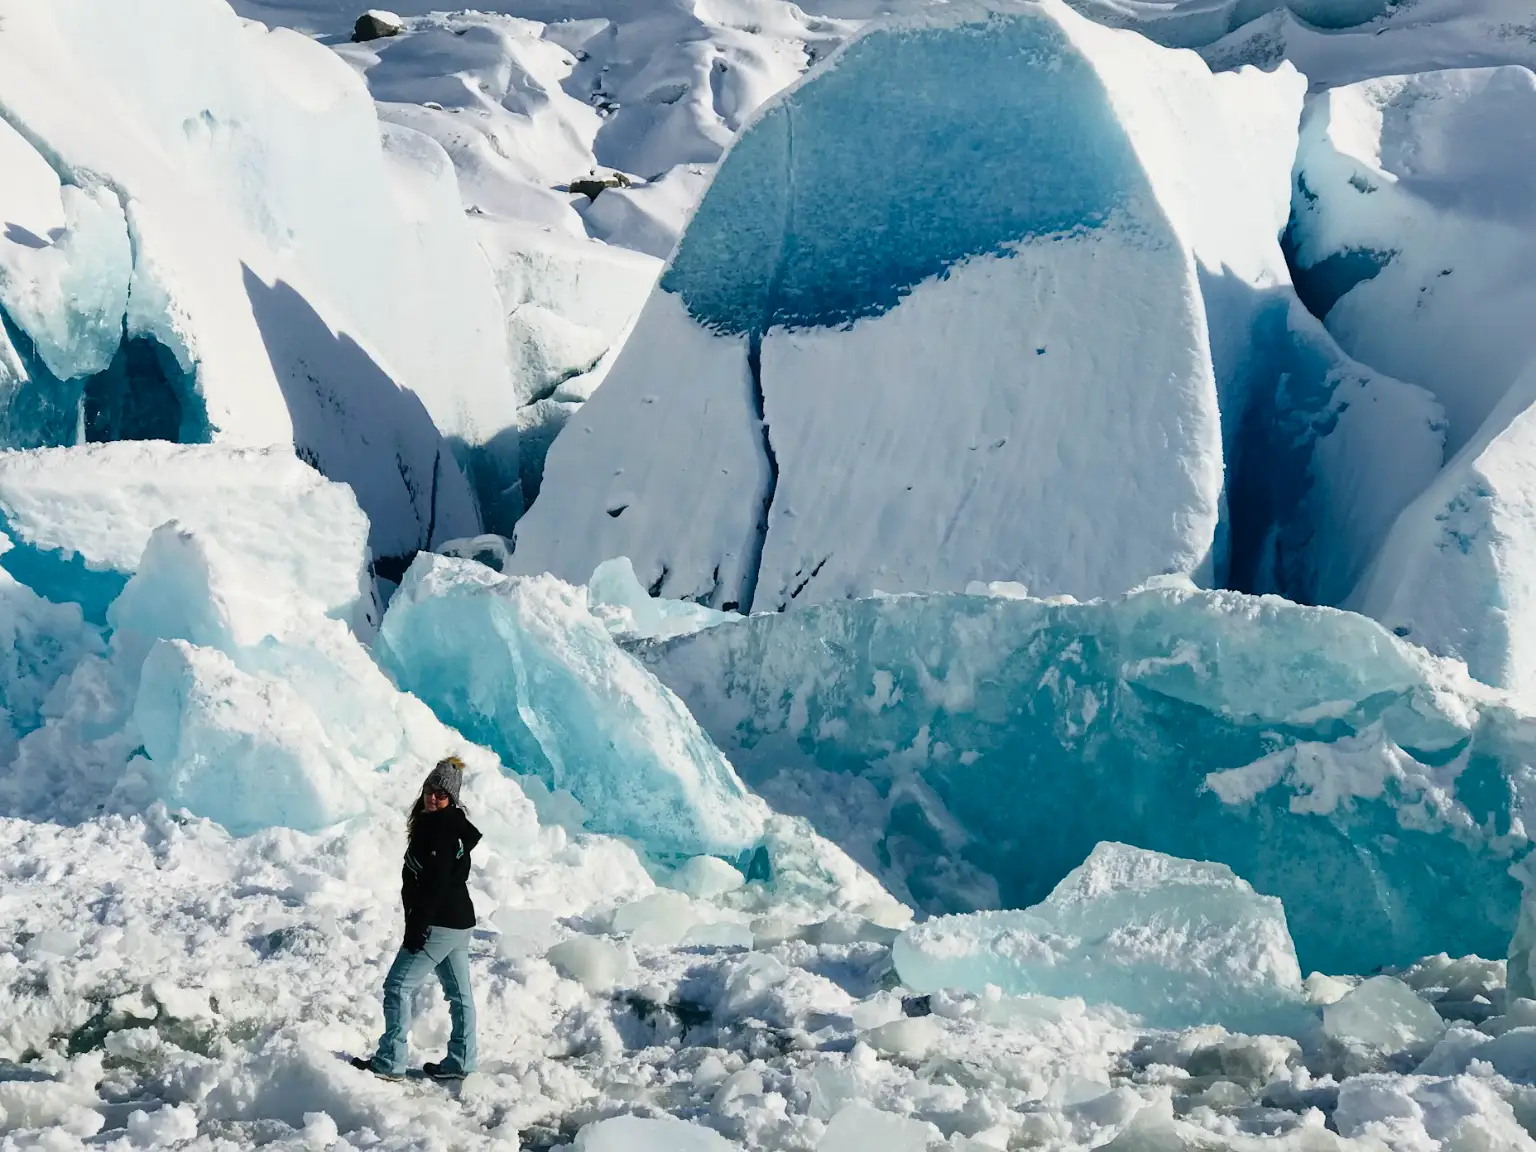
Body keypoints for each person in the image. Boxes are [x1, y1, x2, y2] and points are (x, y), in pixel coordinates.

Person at [353, 756, 483, 1080]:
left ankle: (390, 1061)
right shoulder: (448, 827)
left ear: (451, 799)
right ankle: (461, 1061)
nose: (433, 797)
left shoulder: (440, 830)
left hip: (440, 922)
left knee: (397, 986)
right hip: (457, 922)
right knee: (459, 995)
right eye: (430, 789)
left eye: (441, 794)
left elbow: (436, 884)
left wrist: (419, 925)